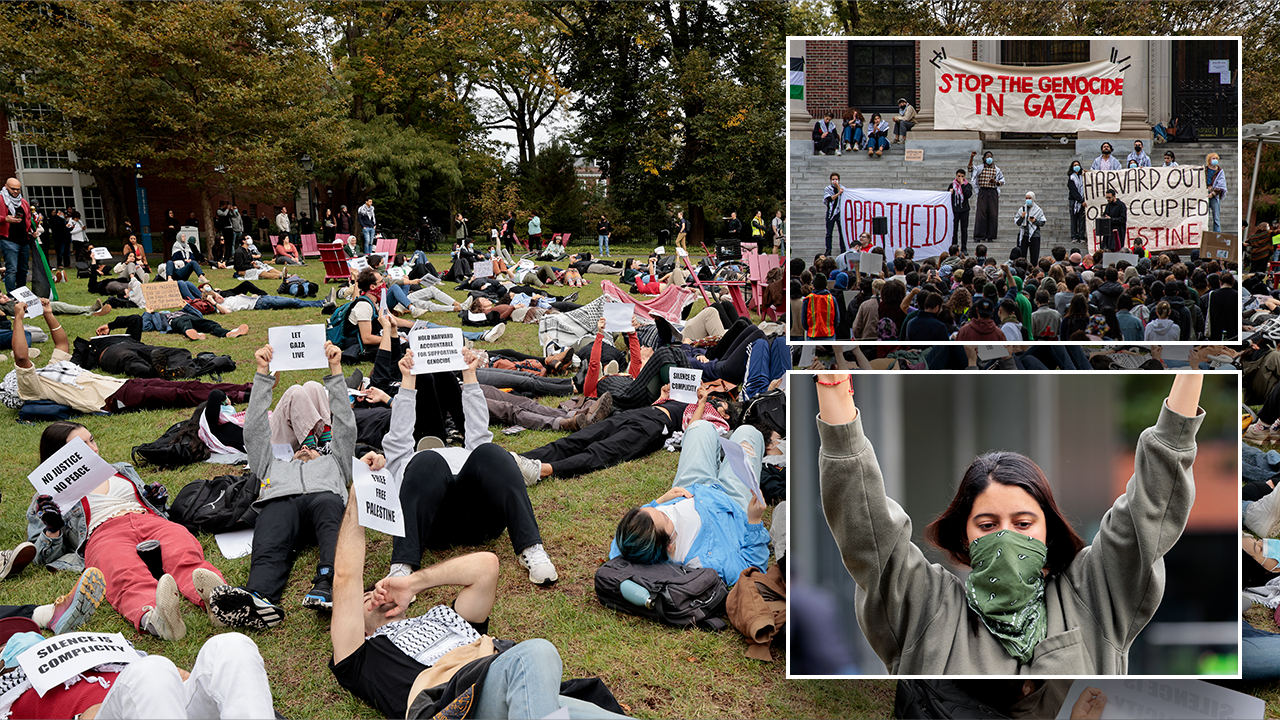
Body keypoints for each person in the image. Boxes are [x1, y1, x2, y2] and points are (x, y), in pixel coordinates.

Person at [815, 373, 1204, 674]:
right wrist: (833, 386)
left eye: (1023, 523)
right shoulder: (925, 605)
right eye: (986, 525)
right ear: (964, 538)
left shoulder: (1094, 594)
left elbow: (1148, 512)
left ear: (1047, 531)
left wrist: (1192, 373)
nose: (1006, 537)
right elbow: (866, 527)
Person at [328, 496, 629, 720]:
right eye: (365, 599)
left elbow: (486, 567)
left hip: (513, 688)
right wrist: (357, 495)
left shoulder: (443, 618)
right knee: (537, 653)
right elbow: (345, 577)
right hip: (454, 704)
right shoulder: (363, 654)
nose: (375, 595)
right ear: (360, 624)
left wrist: (413, 584)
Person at [26, 422, 231, 641]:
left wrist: (156, 502)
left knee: (182, 551)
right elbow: (39, 555)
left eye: (92, 440)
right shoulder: (47, 497)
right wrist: (53, 528)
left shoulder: (121, 470)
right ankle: (156, 619)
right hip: (103, 532)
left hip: (148, 520)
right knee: (124, 573)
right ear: (60, 457)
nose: (94, 449)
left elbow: (154, 507)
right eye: (82, 446)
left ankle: (221, 602)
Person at [375, 347, 558, 585]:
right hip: (433, 528)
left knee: (491, 451)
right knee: (427, 460)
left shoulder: (468, 454)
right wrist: (408, 381)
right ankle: (402, 566)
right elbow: (399, 436)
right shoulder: (410, 462)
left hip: (481, 523)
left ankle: (531, 547)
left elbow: (478, 433)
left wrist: (469, 376)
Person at [204, 340, 355, 629]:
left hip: (324, 501)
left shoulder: (335, 462)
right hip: (282, 502)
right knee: (272, 517)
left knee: (328, 505)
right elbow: (255, 432)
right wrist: (262, 375)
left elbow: (346, 427)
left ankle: (328, 581)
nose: (305, 449)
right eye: (301, 447)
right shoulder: (273, 466)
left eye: (310, 447)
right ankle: (260, 597)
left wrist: (336, 370)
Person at [610, 419, 769, 586]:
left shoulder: (631, 543)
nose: (663, 510)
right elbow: (753, 572)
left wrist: (661, 501)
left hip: (690, 489)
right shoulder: (711, 561)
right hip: (732, 502)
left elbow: (619, 547)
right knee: (748, 432)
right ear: (669, 546)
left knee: (699, 427)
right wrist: (754, 521)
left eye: (654, 509)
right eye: (664, 517)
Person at [0, 630, 277, 719]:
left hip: (165, 708)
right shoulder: (13, 701)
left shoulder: (109, 662)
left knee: (230, 645)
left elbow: (182, 678)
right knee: (150, 670)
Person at [0, 177, 34, 293]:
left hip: (24, 240)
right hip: (8, 239)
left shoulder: (23, 202)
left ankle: (21, 294)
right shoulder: (1, 199)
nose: (15, 191)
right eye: (13, 189)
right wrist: (5, 219)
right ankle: (11, 295)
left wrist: (31, 230)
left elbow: (28, 219)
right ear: (6, 187)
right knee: (12, 269)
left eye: (18, 189)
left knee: (23, 270)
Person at [969, 151, 1005, 244]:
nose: (989, 158)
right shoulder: (979, 168)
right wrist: (972, 158)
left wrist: (996, 182)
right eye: (988, 157)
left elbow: (1002, 181)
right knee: (981, 213)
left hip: (992, 192)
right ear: (984, 158)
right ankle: (979, 235)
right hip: (983, 191)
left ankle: (990, 236)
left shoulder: (997, 170)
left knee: (992, 214)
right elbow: (970, 169)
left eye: (991, 157)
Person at [1014, 191, 1045, 263]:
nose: (1028, 200)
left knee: (1034, 256)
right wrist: (1022, 217)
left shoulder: (1038, 210)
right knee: (1021, 256)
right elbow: (1017, 222)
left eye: (1029, 198)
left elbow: (1042, 222)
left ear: (1033, 198)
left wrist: (1034, 221)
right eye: (1026, 198)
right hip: (1023, 234)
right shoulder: (1021, 209)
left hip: (1034, 235)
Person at [950, 169, 972, 253]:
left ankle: (964, 248)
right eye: (959, 176)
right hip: (955, 210)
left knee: (964, 230)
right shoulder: (952, 185)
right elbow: (947, 197)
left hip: (964, 210)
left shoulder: (967, 185)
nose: (960, 178)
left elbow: (968, 195)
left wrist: (962, 185)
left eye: (962, 176)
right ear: (956, 176)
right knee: (954, 230)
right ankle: (954, 247)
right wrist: (950, 193)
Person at [823, 172, 845, 257]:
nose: (834, 181)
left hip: (840, 213)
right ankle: (828, 249)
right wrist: (839, 193)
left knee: (841, 232)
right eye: (833, 179)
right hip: (831, 213)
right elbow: (829, 198)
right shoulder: (828, 189)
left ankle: (843, 249)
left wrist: (839, 188)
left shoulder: (842, 188)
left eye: (836, 179)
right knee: (829, 233)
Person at [1101, 188, 1127, 252]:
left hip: (1117, 234)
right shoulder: (1108, 206)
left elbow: (1123, 219)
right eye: (1107, 198)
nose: (1108, 199)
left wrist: (1111, 219)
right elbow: (1105, 215)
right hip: (1108, 234)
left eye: (1109, 197)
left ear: (1114, 196)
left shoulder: (1121, 205)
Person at [1067, 160, 1086, 244]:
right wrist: (1080, 200)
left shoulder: (1083, 176)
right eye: (1074, 165)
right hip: (1074, 201)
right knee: (1074, 219)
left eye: (1078, 165)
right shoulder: (1071, 178)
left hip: (1083, 200)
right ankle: (1074, 236)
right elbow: (1073, 191)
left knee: (1082, 220)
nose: (1076, 166)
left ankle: (1082, 236)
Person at [1206, 152, 1225, 233]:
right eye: (1213, 158)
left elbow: (1221, 185)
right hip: (1205, 194)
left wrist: (1213, 193)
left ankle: (1217, 233)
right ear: (1209, 160)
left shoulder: (1220, 172)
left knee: (1216, 218)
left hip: (1214, 196)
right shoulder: (1205, 170)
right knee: (1204, 217)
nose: (1215, 160)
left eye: (1216, 158)